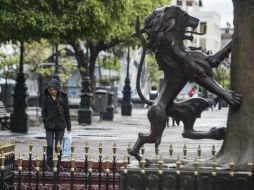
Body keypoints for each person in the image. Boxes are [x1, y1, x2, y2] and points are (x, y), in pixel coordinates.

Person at [41, 79, 71, 167]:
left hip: (60, 125)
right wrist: (45, 121)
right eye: (50, 90)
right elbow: (43, 111)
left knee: (58, 146)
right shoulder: (46, 98)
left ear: (58, 89)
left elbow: (67, 113)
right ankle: (49, 164)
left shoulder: (64, 98)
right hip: (49, 126)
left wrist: (69, 126)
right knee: (49, 145)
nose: (52, 91)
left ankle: (58, 164)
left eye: (54, 89)